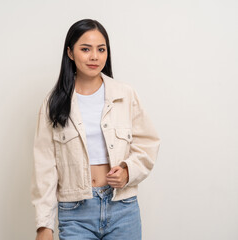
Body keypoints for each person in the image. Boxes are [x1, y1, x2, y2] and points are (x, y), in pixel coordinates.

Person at [31, 19, 160, 240]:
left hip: (123, 208)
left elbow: (148, 144)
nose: (94, 57)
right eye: (85, 49)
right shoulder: (54, 103)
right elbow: (44, 168)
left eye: (101, 49)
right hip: (75, 213)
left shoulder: (125, 95)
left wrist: (128, 171)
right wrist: (44, 226)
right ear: (70, 53)